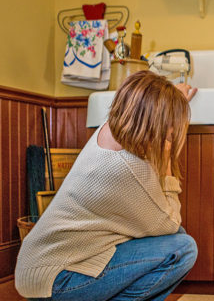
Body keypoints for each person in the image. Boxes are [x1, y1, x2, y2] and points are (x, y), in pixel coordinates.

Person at [15, 71, 198, 301]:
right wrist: (167, 154)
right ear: (158, 123)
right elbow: (171, 223)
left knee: (171, 238)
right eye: (171, 126)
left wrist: (172, 101)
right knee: (183, 248)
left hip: (40, 268)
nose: (173, 131)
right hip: (57, 281)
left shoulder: (111, 127)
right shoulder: (129, 169)